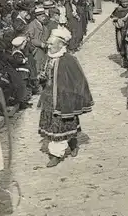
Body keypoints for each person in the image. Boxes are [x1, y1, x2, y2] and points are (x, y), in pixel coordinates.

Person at [38, 28, 93, 167]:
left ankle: (56, 154)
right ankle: (72, 142)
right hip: (50, 97)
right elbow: (46, 74)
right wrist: (42, 78)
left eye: (52, 44)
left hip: (64, 99)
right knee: (53, 125)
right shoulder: (49, 58)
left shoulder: (69, 60)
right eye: (49, 44)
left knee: (60, 125)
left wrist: (71, 96)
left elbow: (77, 79)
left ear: (61, 45)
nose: (49, 46)